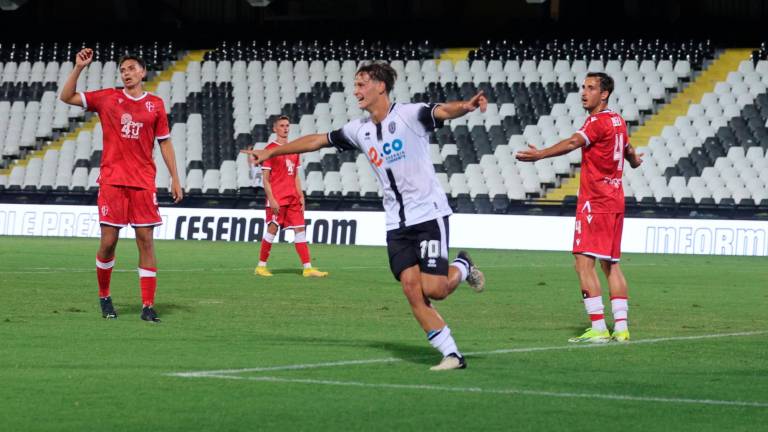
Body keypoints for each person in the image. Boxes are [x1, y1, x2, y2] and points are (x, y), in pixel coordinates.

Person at [243, 62, 486, 370]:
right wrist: (272, 152)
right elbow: (317, 140)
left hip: (428, 215)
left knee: (435, 290)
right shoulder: (360, 130)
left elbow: (444, 111)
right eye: (355, 85)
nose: (355, 91)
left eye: (361, 84)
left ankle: (463, 265)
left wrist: (467, 105)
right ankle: (452, 354)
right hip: (395, 224)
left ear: (380, 86)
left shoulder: (410, 115)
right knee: (411, 288)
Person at [516, 72, 643, 343]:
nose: (584, 92)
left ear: (604, 94)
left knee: (583, 264)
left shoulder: (596, 122)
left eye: (591, 88)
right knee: (611, 265)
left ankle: (598, 329)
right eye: (583, 87)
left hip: (595, 202)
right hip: (615, 199)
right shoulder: (618, 120)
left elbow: (574, 142)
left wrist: (540, 154)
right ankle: (621, 328)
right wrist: (633, 161)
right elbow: (629, 149)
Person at [59, 48, 183, 323]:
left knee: (146, 242)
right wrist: (79, 68)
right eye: (123, 70)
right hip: (113, 181)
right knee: (108, 242)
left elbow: (164, 141)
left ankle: (148, 306)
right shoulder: (108, 98)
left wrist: (175, 177)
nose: (126, 73)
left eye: (130, 69)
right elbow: (66, 96)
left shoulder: (156, 105)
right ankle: (105, 296)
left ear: (142, 72)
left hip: (143, 183)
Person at [254, 115, 328, 278]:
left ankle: (308, 268)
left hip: (293, 197)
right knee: (272, 230)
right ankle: (261, 266)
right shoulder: (269, 150)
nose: (285, 128)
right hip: (278, 198)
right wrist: (271, 199)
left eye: (287, 125)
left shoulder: (294, 149)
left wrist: (301, 195)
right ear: (275, 129)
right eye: (282, 125)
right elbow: (265, 179)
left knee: (300, 230)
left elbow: (295, 175)